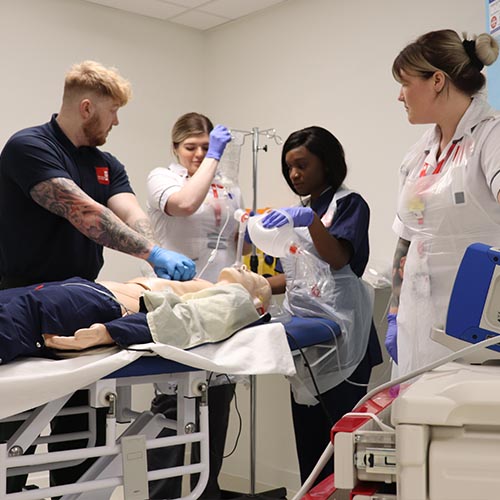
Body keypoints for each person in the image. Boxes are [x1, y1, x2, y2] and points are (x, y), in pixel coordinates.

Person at [0, 60, 195, 494]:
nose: (117, 121)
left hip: (79, 311)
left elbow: (128, 211)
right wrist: (152, 252)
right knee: (14, 441)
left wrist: (154, 256)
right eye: (112, 112)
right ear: (87, 108)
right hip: (22, 307)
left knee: (77, 437)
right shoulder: (28, 147)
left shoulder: (107, 163)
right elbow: (83, 212)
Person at [260, 126, 382, 485]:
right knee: (310, 451)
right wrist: (257, 285)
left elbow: (338, 259)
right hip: (308, 343)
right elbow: (302, 275)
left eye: (302, 165)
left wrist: (311, 222)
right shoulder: (302, 211)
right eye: (289, 168)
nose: (294, 175)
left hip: (346, 339)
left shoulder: (349, 203)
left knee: (340, 452)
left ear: (326, 164)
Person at [386, 29, 500, 379]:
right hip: (415, 322)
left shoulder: (489, 136)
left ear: (437, 80)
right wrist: (393, 310)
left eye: (405, 83)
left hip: (475, 332)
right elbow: (407, 239)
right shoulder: (420, 152)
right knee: (414, 425)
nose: (399, 96)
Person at [146, 112, 247, 498]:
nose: (201, 154)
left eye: (207, 147)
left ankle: (208, 491)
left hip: (220, 306)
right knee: (175, 406)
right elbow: (186, 205)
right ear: (175, 148)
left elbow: (237, 241)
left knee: (217, 402)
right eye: (192, 147)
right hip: (176, 303)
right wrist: (213, 159)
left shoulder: (229, 188)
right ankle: (163, 493)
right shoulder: (163, 178)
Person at [0, 266, 271, 361]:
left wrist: (109, 333)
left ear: (257, 302)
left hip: (79, 304)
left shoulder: (236, 301)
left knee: (14, 321)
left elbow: (181, 324)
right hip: (73, 294)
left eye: (256, 277)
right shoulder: (210, 289)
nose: (246, 268)